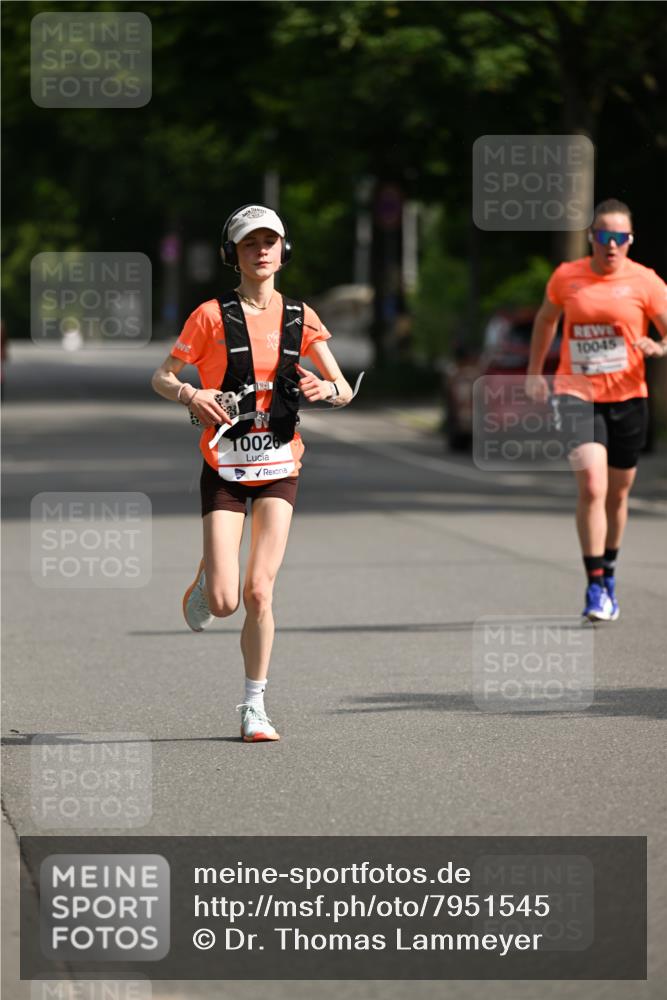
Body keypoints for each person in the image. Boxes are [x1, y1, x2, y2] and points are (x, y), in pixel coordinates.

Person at [151, 204, 354, 740]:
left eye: (270, 242)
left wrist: (327, 389)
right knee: (224, 602)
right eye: (249, 244)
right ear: (232, 254)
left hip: (280, 465)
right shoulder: (210, 316)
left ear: (284, 251)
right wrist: (191, 393)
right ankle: (208, 577)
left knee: (260, 591)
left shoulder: (302, 317)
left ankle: (254, 706)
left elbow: (342, 387)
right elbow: (162, 377)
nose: (261, 251)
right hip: (224, 467)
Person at [526, 198, 667, 621]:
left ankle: (609, 576)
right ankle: (594, 585)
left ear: (630, 240)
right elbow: (546, 320)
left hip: (628, 397)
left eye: (621, 237)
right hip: (576, 394)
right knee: (592, 485)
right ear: (591, 237)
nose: (612, 245)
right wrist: (535, 372)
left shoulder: (646, 281)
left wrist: (658, 346)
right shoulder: (567, 277)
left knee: (618, 494)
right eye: (604, 236)